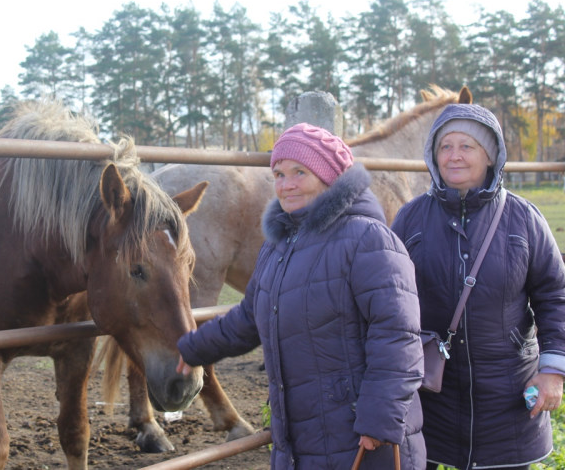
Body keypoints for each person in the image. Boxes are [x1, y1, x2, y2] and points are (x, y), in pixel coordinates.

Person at [176, 123, 426, 469]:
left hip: (361, 439)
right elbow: (249, 317)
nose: (286, 184)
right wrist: (194, 347)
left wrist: (380, 419)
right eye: (279, 174)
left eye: (299, 172)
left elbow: (398, 337)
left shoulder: (369, 240)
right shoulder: (278, 247)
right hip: (301, 440)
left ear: (329, 176)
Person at [391, 103, 565, 470]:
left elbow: (555, 296)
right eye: (445, 146)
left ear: (490, 155)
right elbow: (386, 298)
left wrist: (553, 369)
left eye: (466, 146)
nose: (454, 156)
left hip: (507, 396)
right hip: (431, 393)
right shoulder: (411, 218)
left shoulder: (524, 219)